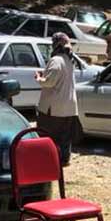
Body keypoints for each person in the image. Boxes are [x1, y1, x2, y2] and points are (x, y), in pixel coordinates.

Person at [35, 32, 80, 166]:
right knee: (64, 136)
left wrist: (38, 78)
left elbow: (49, 82)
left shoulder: (56, 60)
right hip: (69, 106)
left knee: (48, 135)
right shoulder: (69, 60)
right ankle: (64, 160)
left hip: (54, 107)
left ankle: (49, 160)